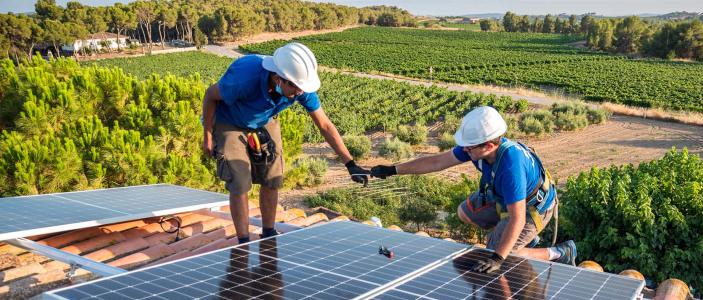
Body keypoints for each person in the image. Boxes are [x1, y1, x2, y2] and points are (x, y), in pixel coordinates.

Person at [370, 106, 576, 273]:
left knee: (503, 254)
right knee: (464, 212)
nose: (465, 150)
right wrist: (393, 170)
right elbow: (437, 162)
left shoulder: (511, 167)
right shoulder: (476, 148)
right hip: (503, 198)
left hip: (532, 208)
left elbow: (518, 218)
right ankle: (515, 238)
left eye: (469, 147)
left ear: (488, 146)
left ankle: (558, 252)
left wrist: (497, 257)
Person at [201, 42, 369, 244]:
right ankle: (244, 241)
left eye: (302, 89)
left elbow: (324, 125)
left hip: (263, 120)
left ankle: (268, 233)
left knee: (273, 177)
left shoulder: (301, 87)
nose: (300, 93)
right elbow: (210, 96)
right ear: (279, 78)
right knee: (239, 182)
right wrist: (208, 136)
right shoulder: (245, 76)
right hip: (229, 120)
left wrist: (350, 164)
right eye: (296, 88)